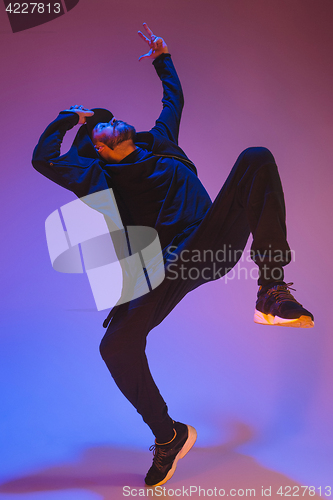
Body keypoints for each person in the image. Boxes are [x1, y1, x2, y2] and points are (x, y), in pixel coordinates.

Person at [32, 23, 314, 487]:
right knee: (115, 346)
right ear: (99, 148)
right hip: (167, 265)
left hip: (212, 239)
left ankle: (270, 288)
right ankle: (168, 437)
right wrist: (69, 120)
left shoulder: (159, 142)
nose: (112, 122)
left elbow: (172, 102)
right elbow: (44, 159)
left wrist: (164, 59)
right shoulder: (97, 177)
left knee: (256, 156)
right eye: (102, 126)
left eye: (108, 119)